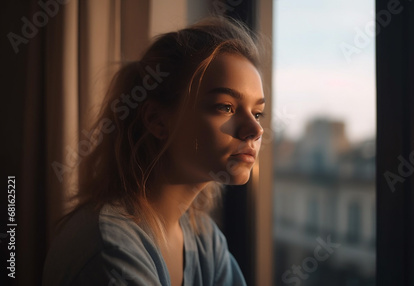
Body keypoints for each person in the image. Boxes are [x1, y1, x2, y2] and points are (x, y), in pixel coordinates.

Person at [42, 16, 266, 286]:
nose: (255, 129)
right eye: (225, 107)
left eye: (258, 112)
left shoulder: (203, 238)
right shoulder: (110, 251)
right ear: (157, 121)